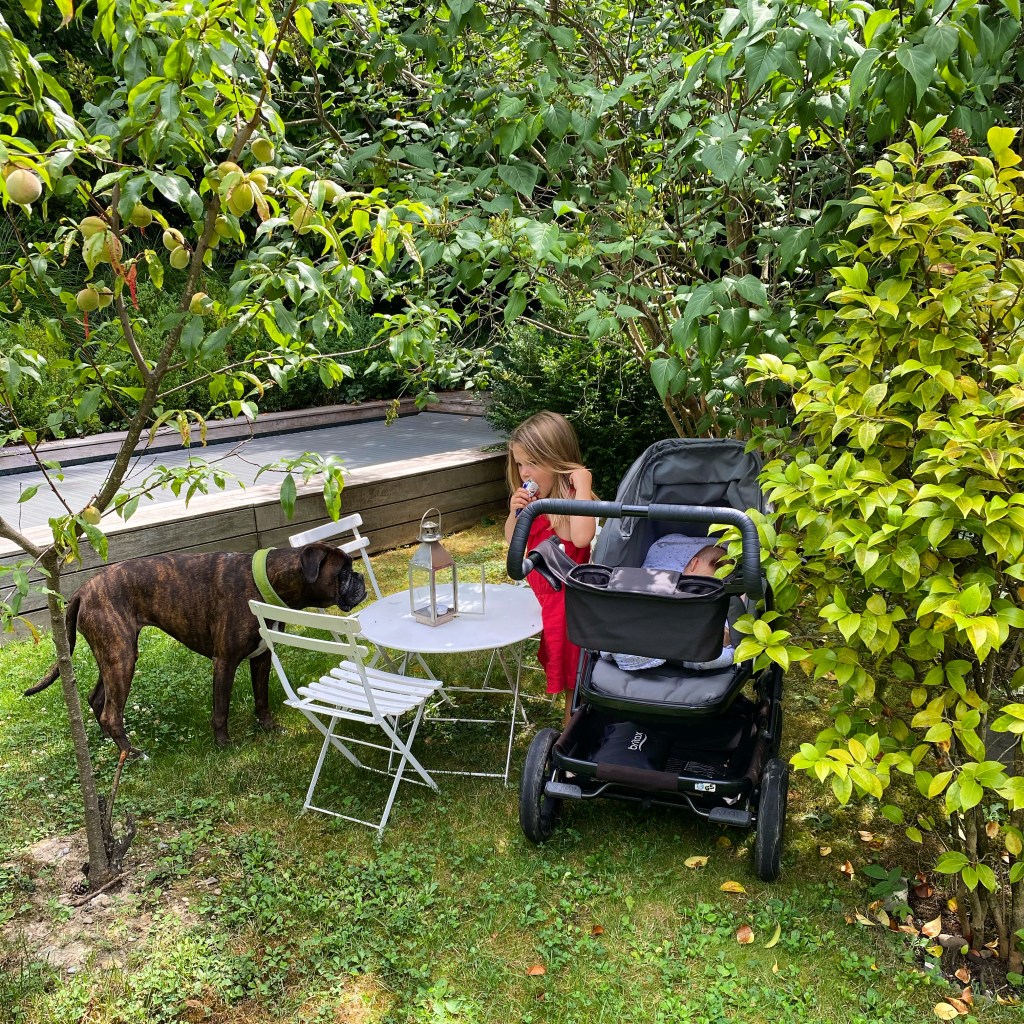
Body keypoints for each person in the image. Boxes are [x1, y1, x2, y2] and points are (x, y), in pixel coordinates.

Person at [504, 411, 597, 727]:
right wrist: (515, 513)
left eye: (532, 463)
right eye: (519, 464)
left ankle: (571, 736)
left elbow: (581, 537)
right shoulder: (533, 504)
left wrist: (582, 486)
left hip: (567, 604)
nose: (524, 472)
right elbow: (512, 542)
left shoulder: (571, 501)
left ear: (557, 460)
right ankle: (577, 729)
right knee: (570, 676)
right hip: (546, 599)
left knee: (573, 679)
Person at [604, 541, 735, 672]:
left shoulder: (717, 603)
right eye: (704, 584)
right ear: (694, 563)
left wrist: (724, 637)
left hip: (676, 641)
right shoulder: (664, 578)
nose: (705, 591)